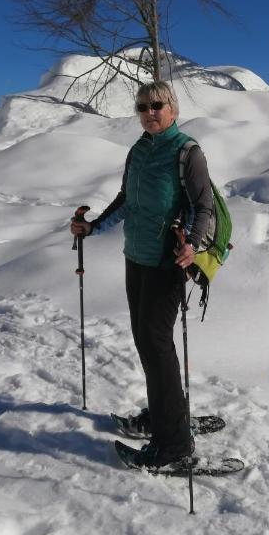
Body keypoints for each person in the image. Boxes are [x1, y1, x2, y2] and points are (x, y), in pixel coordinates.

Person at [70, 80, 214, 468]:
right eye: (142, 107)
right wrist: (93, 227)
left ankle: (174, 446)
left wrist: (192, 244)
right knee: (147, 342)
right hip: (136, 258)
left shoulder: (187, 152)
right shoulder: (139, 150)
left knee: (156, 344)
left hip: (168, 263)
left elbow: (205, 208)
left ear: (172, 109)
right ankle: (165, 416)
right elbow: (125, 202)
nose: (149, 113)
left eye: (156, 105)